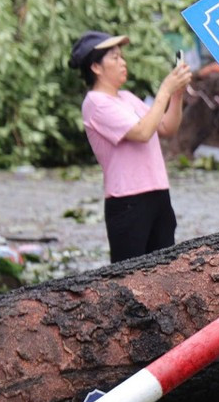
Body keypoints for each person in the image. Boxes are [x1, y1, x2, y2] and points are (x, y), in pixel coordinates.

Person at [71, 31, 192, 264]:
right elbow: (143, 132)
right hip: (128, 200)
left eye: (122, 57)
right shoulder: (96, 103)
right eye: (115, 58)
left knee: (165, 271)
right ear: (95, 67)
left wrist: (177, 95)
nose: (123, 62)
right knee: (131, 276)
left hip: (158, 193)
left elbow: (166, 127)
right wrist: (165, 90)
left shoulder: (126, 97)